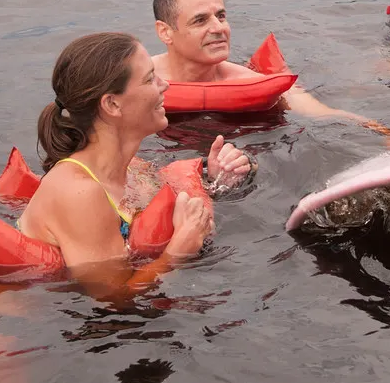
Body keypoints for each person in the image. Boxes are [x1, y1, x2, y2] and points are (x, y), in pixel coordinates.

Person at [17, 32, 253, 294]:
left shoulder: (134, 168)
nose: (165, 85)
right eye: (150, 78)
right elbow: (112, 300)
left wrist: (216, 180)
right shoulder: (80, 193)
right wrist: (178, 252)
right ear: (112, 104)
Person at [152, 0, 381, 125]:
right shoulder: (132, 82)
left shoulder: (253, 82)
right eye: (200, 20)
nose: (218, 28)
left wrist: (382, 131)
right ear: (165, 32)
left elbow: (323, 114)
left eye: (221, 16)